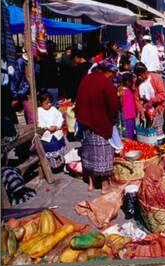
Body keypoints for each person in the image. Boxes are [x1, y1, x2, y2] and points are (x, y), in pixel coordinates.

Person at [75, 62, 120, 193]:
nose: (113, 77)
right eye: (113, 74)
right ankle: (105, 185)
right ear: (108, 72)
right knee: (103, 154)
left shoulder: (86, 78)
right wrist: (113, 119)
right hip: (100, 124)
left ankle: (91, 183)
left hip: (85, 122)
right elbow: (113, 106)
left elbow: (78, 100)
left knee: (88, 152)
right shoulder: (106, 83)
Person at [133, 62, 165, 141]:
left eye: (140, 75)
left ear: (146, 72)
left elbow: (163, 94)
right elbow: (136, 99)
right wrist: (141, 111)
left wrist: (152, 101)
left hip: (157, 109)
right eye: (137, 75)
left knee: (157, 132)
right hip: (145, 110)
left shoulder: (156, 79)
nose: (139, 77)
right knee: (147, 131)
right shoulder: (137, 82)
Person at [37, 93, 66, 171]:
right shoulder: (38, 111)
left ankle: (61, 164)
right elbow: (39, 122)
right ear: (40, 103)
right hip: (46, 135)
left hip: (56, 132)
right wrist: (46, 127)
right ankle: (53, 166)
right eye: (46, 103)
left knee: (59, 147)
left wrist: (56, 126)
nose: (49, 104)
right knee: (50, 148)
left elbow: (60, 118)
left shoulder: (53, 109)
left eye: (50, 102)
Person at [10, 48, 34, 124]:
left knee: (29, 115)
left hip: (23, 92)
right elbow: (16, 78)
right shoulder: (19, 62)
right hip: (22, 92)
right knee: (29, 115)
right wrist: (15, 95)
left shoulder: (26, 61)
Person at [120, 72, 137, 140]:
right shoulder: (122, 91)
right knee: (128, 134)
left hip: (131, 115)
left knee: (130, 132)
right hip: (127, 116)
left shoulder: (128, 90)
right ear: (127, 82)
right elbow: (121, 103)